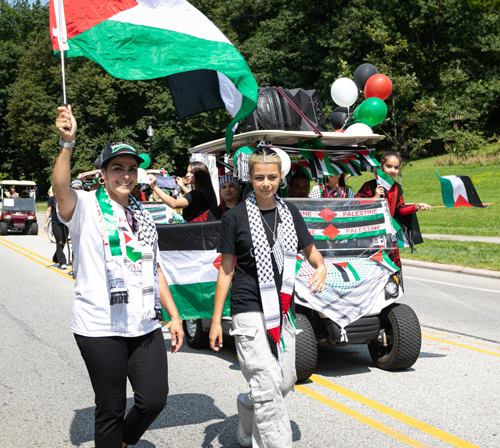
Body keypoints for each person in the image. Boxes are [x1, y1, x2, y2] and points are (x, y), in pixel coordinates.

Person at [53, 105, 184, 448]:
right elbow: (60, 188)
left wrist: (174, 315)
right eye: (117, 169)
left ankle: (122, 442)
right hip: (99, 326)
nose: (125, 175)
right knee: (110, 406)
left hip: (143, 322)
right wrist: (67, 143)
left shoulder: (144, 216)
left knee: (153, 399)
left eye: (130, 169)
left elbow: (154, 267)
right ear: (103, 172)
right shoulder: (84, 206)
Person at [209, 148, 327, 448]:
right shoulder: (234, 218)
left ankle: (249, 407)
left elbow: (311, 252)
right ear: (249, 177)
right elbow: (225, 271)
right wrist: (215, 321)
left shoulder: (290, 213)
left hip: (282, 310)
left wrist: (321, 267)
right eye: (259, 177)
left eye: (271, 177)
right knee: (266, 380)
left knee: (284, 382)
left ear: (280, 178)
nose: (265, 183)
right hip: (247, 307)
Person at [355, 151, 431, 268]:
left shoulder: (396, 188)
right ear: (381, 166)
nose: (392, 171)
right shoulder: (369, 186)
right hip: (370, 235)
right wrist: (374, 198)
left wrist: (415, 207)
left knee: (392, 268)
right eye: (389, 166)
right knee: (372, 267)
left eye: (396, 168)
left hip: (389, 235)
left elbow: (400, 210)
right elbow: (356, 206)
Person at [149, 169, 217, 222]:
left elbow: (174, 203)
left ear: (199, 175)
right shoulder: (204, 193)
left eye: (191, 172)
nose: (187, 175)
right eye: (187, 172)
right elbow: (192, 195)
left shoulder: (196, 194)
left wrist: (154, 187)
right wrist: (181, 186)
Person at [44, 192, 68, 270]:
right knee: (60, 242)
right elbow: (48, 211)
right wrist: (45, 223)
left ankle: (55, 258)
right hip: (56, 223)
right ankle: (62, 262)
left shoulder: (66, 199)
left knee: (63, 242)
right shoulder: (52, 199)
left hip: (65, 223)